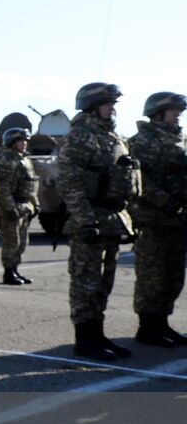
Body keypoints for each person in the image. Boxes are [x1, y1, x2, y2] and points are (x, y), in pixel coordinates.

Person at [58, 83, 142, 360]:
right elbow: (70, 183)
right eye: (108, 103)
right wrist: (85, 221)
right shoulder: (81, 136)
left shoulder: (112, 136)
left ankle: (97, 334)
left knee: (104, 282)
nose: (113, 108)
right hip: (90, 220)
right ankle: (84, 339)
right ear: (92, 106)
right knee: (86, 282)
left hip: (111, 219)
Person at [128, 91, 187, 346]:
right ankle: (147, 328)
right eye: (175, 111)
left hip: (177, 221)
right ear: (158, 112)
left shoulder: (180, 140)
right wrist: (167, 202)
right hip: (152, 219)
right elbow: (140, 181)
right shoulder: (141, 141)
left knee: (173, 275)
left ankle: (162, 323)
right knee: (152, 275)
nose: (179, 115)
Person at [0, 127, 39, 285]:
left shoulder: (25, 160)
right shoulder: (7, 160)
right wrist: (9, 207)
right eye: (21, 141)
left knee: (22, 242)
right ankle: (8, 272)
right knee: (11, 242)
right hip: (12, 205)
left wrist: (35, 204)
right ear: (12, 143)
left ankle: (15, 269)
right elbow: (2, 186)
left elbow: (32, 183)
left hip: (24, 205)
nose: (24, 144)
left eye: (25, 141)